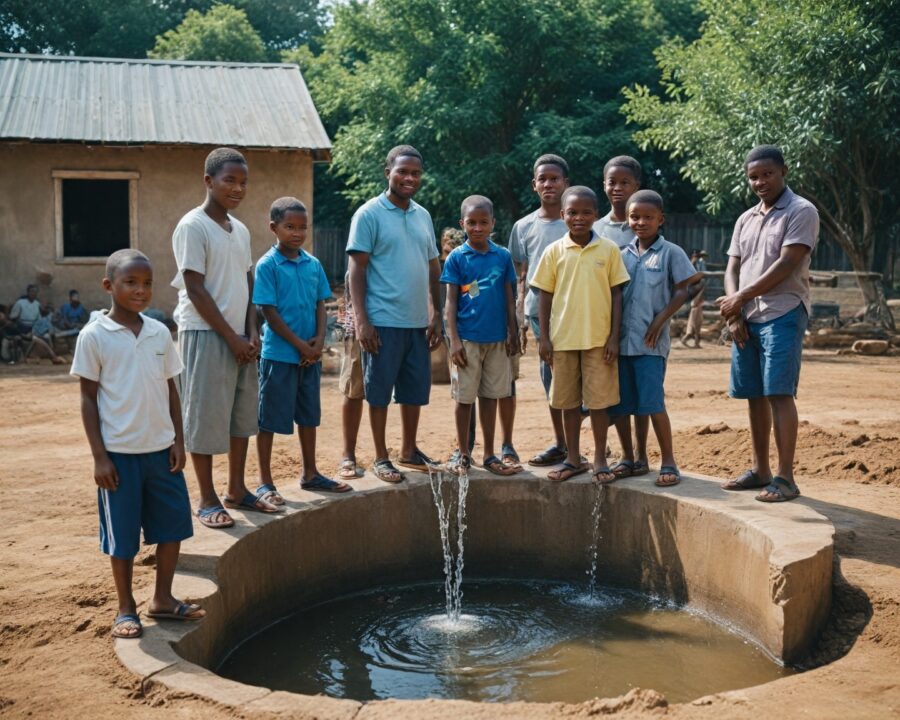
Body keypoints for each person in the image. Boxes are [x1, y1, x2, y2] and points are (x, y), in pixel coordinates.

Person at [71, 249, 203, 640]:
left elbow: (171, 390)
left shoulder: (159, 332)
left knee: (173, 527)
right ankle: (126, 607)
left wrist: (179, 440)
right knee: (123, 537)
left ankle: (162, 597)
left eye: (147, 283)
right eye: (130, 282)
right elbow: (87, 398)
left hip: (161, 452)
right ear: (109, 286)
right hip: (119, 456)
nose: (140, 290)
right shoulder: (94, 336)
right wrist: (99, 457)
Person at [171, 147, 277, 529]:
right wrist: (231, 337)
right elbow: (195, 289)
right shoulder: (193, 226)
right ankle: (206, 497)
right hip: (205, 334)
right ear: (208, 181)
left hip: (241, 338)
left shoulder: (241, 230)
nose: (237, 188)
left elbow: (248, 283)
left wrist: (252, 331)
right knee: (204, 416)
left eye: (243, 182)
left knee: (240, 416)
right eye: (229, 180)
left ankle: (236, 488)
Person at [717, 145, 818, 503]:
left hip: (783, 312)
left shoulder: (801, 210)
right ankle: (760, 470)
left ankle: (785, 478)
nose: (760, 182)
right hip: (746, 316)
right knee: (754, 393)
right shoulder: (746, 218)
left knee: (778, 392)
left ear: (783, 171)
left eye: (767, 174)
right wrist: (734, 312)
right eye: (753, 177)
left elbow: (788, 263)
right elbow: (732, 266)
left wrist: (739, 298)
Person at [346, 145, 443, 483]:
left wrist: (436, 313)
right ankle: (381, 456)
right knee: (378, 391)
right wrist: (363, 320)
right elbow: (356, 270)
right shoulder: (368, 214)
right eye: (402, 171)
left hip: (416, 321)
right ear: (388, 172)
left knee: (414, 390)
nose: (409, 178)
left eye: (416, 173)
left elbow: (433, 267)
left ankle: (409, 450)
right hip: (382, 320)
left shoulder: (422, 215)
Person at [531, 186, 630, 482]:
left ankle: (600, 459)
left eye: (586, 212)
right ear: (563, 215)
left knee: (599, 403)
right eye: (572, 212)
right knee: (568, 402)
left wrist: (613, 337)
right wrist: (544, 338)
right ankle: (573, 458)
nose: (579, 218)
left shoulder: (609, 250)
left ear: (596, 215)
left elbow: (617, 295)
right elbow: (544, 295)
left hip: (599, 341)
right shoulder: (553, 251)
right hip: (562, 341)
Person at [253, 197, 350, 496]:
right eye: (290, 227)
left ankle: (310, 473)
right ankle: (265, 482)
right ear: (274, 228)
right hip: (279, 356)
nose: (297, 233)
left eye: (302, 227)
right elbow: (269, 312)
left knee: (308, 416)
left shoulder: (313, 264)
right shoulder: (267, 265)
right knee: (268, 419)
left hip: (310, 356)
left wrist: (319, 341)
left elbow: (320, 303)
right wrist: (300, 346)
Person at [608, 191, 702, 487]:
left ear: (661, 219)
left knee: (652, 403)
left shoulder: (671, 252)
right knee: (621, 405)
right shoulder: (620, 255)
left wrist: (661, 320)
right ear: (627, 219)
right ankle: (629, 458)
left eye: (648, 217)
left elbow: (683, 289)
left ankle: (669, 461)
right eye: (635, 217)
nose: (641, 222)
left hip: (650, 344)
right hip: (622, 344)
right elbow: (614, 296)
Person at [442, 195, 520, 475]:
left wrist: (513, 331)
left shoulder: (502, 256)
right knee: (464, 398)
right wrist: (454, 341)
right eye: (471, 223)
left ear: (492, 224)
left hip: (497, 340)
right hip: (467, 341)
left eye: (483, 222)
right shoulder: (457, 258)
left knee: (491, 396)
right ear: (462, 223)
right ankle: (464, 454)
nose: (477, 228)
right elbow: (451, 302)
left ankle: (489, 454)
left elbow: (509, 296)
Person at [508, 154, 571, 466]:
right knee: (551, 377)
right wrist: (519, 318)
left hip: (576, 310)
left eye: (554, 179)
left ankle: (596, 445)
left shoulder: (578, 219)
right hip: (538, 313)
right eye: (542, 179)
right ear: (534, 185)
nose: (549, 184)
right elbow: (520, 275)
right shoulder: (523, 227)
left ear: (565, 183)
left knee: (581, 377)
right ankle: (562, 443)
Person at [336, 270, 366, 482]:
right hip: (358, 329)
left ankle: (385, 454)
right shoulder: (356, 265)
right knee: (353, 389)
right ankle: (348, 454)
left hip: (393, 325)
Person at [593, 155, 643, 249]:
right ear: (604, 186)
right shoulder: (594, 230)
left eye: (624, 183)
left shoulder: (645, 228)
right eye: (612, 183)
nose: (617, 188)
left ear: (636, 186)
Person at [681, 250, 708, 348]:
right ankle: (688, 338)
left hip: (697, 291)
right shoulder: (692, 264)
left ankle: (696, 342)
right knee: (695, 318)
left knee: (698, 320)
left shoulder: (699, 264)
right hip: (694, 294)